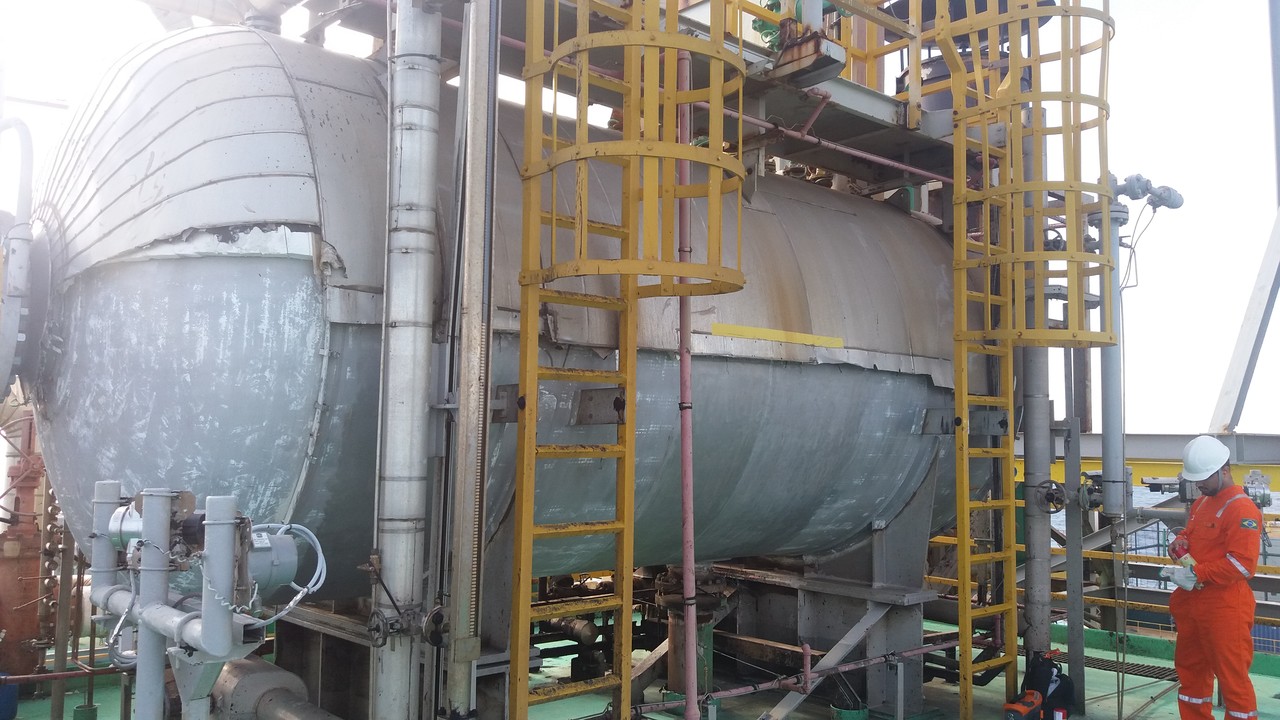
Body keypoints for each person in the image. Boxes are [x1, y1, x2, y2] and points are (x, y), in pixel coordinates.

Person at [1163, 435, 1262, 720]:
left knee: (1233, 682)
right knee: (1191, 674)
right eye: (1195, 479)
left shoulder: (1242, 509)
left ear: (1225, 470)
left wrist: (1196, 573)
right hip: (1194, 605)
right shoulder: (1202, 504)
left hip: (1225, 609)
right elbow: (1193, 536)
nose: (1199, 484)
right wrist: (1180, 541)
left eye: (1204, 478)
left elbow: (1243, 565)